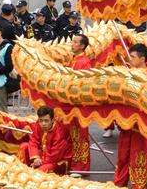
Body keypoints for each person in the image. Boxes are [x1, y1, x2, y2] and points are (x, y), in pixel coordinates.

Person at [114, 44, 147, 189]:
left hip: (141, 124)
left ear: (143, 59)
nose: (130, 59)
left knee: (139, 157)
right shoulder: (128, 74)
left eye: (133, 57)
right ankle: (119, 184)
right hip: (126, 122)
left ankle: (138, 188)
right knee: (123, 155)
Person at [16, 106, 73, 174]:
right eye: (41, 120)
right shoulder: (38, 125)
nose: (43, 124)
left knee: (39, 172)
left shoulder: (59, 132)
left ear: (52, 120)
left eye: (46, 121)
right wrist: (36, 158)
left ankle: (32, 172)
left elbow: (54, 157)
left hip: (57, 162)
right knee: (24, 146)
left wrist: (39, 162)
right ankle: (21, 171)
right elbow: (33, 141)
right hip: (42, 157)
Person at [67, 34, 92, 173]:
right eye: (73, 41)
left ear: (82, 46)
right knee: (72, 135)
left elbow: (84, 85)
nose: (73, 43)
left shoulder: (84, 62)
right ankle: (73, 163)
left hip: (79, 104)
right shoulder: (73, 59)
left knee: (81, 136)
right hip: (71, 103)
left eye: (76, 42)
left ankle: (82, 167)